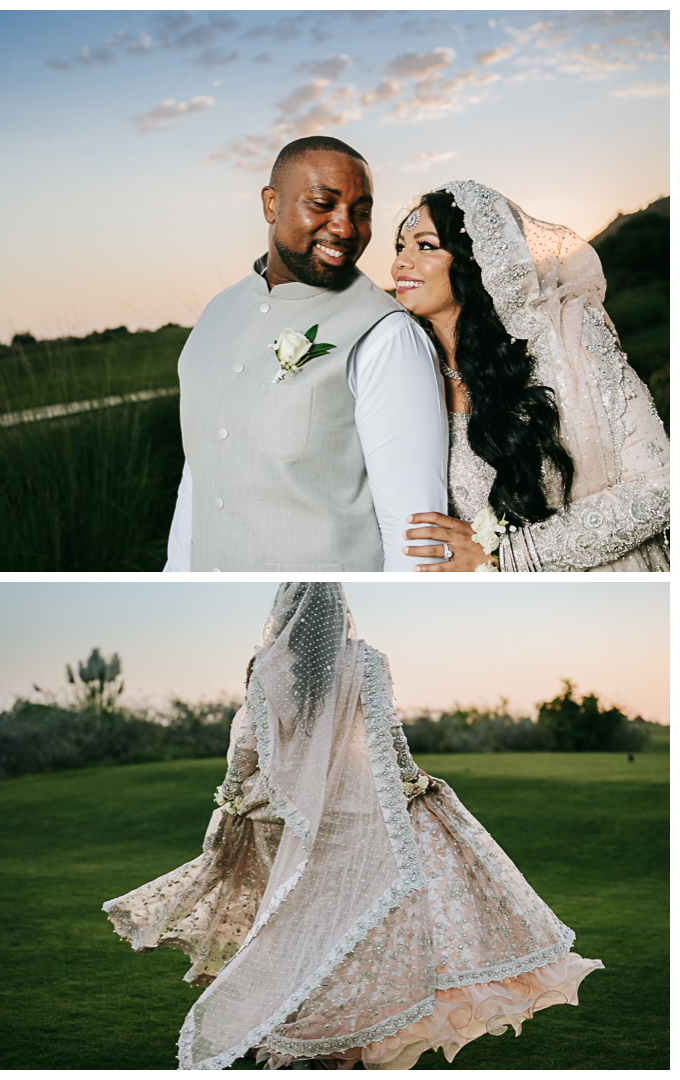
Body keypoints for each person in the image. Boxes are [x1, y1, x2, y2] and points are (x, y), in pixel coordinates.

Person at [103, 583, 603, 1070]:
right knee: (346, 926)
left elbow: (248, 740)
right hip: (357, 812)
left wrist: (232, 793)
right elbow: (386, 731)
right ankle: (330, 1036)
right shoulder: (367, 661)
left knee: (300, 923)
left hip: (288, 812)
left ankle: (310, 1033)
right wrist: (411, 779)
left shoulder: (268, 664)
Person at [163, 136, 447, 572]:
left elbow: (415, 536)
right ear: (271, 204)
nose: (345, 227)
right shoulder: (215, 314)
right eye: (322, 202)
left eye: (362, 212)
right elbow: (197, 477)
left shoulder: (387, 335)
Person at [392, 182, 670, 572]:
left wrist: (507, 557)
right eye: (400, 248)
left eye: (425, 245)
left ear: (475, 256)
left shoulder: (569, 335)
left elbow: (661, 488)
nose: (401, 262)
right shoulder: (408, 373)